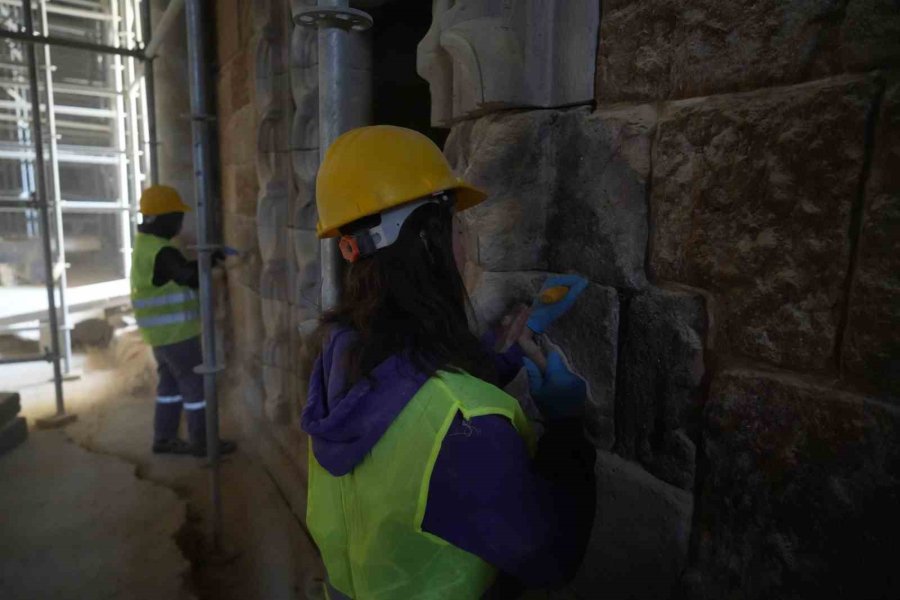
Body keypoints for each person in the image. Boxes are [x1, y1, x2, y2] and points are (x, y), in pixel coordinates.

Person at [301, 126, 596, 599]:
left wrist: (502, 353)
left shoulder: (336, 361)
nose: (465, 248)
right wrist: (566, 429)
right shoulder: (468, 430)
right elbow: (553, 555)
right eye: (458, 230)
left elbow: (401, 397)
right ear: (427, 242)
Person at [130, 185, 236, 457]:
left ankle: (164, 438)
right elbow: (189, 277)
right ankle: (203, 442)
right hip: (175, 333)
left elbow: (179, 273)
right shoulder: (162, 251)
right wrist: (212, 261)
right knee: (195, 385)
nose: (180, 225)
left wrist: (206, 259)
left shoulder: (145, 245)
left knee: (170, 385)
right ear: (163, 218)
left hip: (159, 334)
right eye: (177, 218)